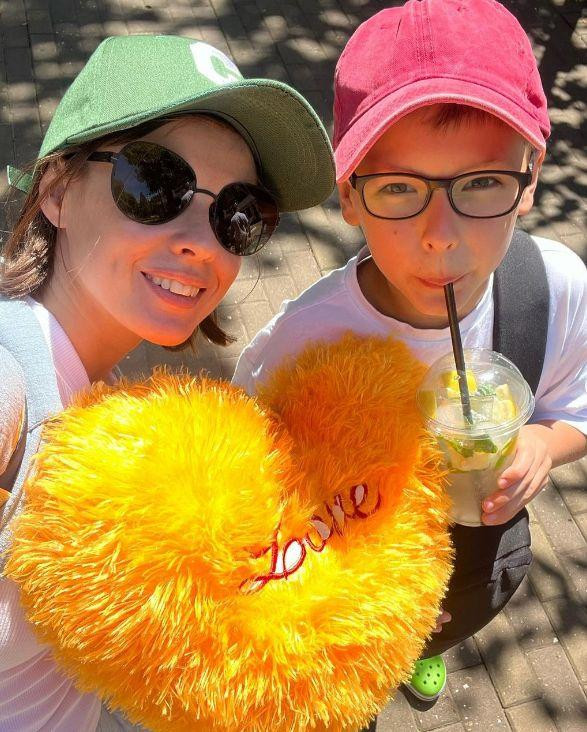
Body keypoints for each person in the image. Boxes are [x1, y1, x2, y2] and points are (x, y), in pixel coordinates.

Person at [232, 0, 587, 712]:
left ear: (529, 177)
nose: (440, 234)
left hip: (477, 563)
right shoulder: (303, 343)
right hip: (353, 575)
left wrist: (542, 447)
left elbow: (573, 408)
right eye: (398, 188)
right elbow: (253, 493)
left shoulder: (553, 289)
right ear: (349, 196)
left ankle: (425, 644)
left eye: (481, 183)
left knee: (439, 623)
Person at [0, 34, 334, 730]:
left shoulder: (96, 391)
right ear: (56, 190)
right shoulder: (10, 387)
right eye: (155, 184)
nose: (203, 243)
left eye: (238, 212)